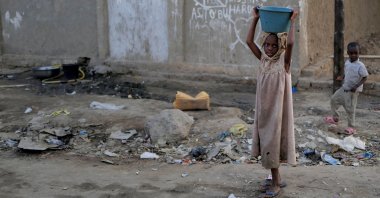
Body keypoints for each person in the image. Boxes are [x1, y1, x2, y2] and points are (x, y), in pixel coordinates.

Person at [246, 6, 298, 198]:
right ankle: (277, 179)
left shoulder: (283, 63)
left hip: (276, 114)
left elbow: (291, 43)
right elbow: (248, 41)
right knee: (267, 144)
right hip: (263, 112)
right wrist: (255, 18)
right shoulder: (262, 60)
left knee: (272, 144)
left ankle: (275, 184)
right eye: (267, 45)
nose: (269, 48)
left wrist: (292, 21)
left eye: (273, 46)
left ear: (280, 47)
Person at [324, 42, 368, 134]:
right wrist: (342, 77)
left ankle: (352, 127)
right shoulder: (347, 62)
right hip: (344, 88)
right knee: (333, 99)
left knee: (350, 109)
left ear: (359, 52)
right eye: (351, 53)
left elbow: (365, 77)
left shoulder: (360, 65)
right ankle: (335, 118)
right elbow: (347, 72)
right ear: (348, 53)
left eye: (356, 53)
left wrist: (356, 86)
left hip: (353, 91)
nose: (354, 55)